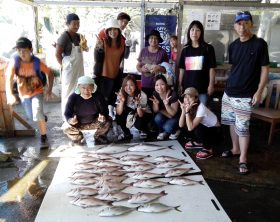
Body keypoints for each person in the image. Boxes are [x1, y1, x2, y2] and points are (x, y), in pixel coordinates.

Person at [221, 11, 270, 175]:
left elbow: (265, 69)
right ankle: (235, 149)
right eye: (239, 24)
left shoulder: (259, 44)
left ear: (251, 24)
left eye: (245, 23)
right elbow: (235, 67)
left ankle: (243, 158)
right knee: (231, 122)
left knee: (243, 128)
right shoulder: (233, 45)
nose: (242, 27)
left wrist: (259, 91)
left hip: (245, 94)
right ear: (235, 26)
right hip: (229, 92)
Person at [5, 37, 54, 148]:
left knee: (37, 112)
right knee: (32, 116)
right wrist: (9, 94)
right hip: (23, 94)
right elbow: (9, 78)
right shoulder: (15, 62)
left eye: (25, 50)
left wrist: (49, 90)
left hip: (37, 91)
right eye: (19, 50)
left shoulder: (37, 62)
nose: (22, 53)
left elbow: (50, 73)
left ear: (30, 50)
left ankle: (43, 137)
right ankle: (42, 116)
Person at [95, 18, 128, 118]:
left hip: (116, 74)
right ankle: (104, 119)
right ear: (107, 31)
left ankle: (112, 114)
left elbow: (124, 57)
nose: (112, 32)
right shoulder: (103, 41)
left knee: (114, 98)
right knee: (104, 99)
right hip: (104, 75)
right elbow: (97, 59)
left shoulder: (122, 43)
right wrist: (99, 49)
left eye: (115, 29)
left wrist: (129, 48)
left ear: (118, 30)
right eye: (110, 30)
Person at [63, 76, 111, 145]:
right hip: (78, 123)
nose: (86, 91)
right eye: (83, 88)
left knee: (108, 120)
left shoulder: (98, 96)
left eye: (89, 88)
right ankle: (78, 138)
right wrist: (70, 120)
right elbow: (67, 113)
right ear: (78, 87)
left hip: (94, 122)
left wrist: (103, 116)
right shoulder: (73, 97)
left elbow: (105, 111)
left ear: (93, 87)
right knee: (66, 126)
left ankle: (99, 136)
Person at [178, 20, 216, 105]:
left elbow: (212, 69)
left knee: (201, 113)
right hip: (188, 89)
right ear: (189, 32)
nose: (194, 33)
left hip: (202, 88)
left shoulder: (208, 48)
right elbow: (182, 70)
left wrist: (211, 85)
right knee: (189, 112)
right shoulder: (185, 49)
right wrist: (180, 85)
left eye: (198, 30)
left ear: (201, 32)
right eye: (192, 29)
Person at [55, 13, 85, 117]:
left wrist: (85, 46)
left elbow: (85, 49)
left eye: (78, 23)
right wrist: (64, 67)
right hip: (69, 71)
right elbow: (57, 54)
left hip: (79, 69)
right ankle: (67, 117)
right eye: (74, 24)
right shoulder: (64, 37)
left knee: (79, 90)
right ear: (67, 24)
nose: (77, 26)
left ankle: (76, 114)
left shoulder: (79, 36)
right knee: (68, 93)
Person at [179, 87, 220, 159]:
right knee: (186, 124)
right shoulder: (190, 106)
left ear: (196, 98)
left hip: (215, 132)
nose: (187, 100)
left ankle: (208, 149)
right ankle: (198, 142)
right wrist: (183, 110)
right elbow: (181, 125)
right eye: (185, 97)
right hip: (205, 128)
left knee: (195, 127)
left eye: (190, 97)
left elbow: (190, 128)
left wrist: (187, 112)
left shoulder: (201, 108)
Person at [115, 75, 152, 140]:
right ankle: (127, 133)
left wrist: (138, 105)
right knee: (118, 117)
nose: (128, 88)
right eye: (126, 85)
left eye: (131, 85)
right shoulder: (121, 94)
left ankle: (145, 130)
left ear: (135, 85)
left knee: (138, 123)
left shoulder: (141, 95)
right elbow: (118, 112)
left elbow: (141, 114)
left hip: (144, 114)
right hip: (132, 112)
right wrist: (122, 102)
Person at [136, 30, 169, 99]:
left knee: (156, 106)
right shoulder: (143, 51)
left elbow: (167, 69)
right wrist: (141, 69)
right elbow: (138, 65)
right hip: (145, 84)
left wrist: (159, 68)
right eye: (151, 38)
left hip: (158, 86)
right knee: (144, 105)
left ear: (159, 40)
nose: (153, 40)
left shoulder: (163, 52)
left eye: (156, 38)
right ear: (148, 39)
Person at [149, 75, 180, 140]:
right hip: (165, 115)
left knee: (168, 127)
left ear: (166, 84)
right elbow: (155, 110)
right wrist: (156, 104)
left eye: (162, 84)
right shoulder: (155, 93)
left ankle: (176, 131)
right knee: (157, 118)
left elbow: (173, 114)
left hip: (175, 117)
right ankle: (163, 132)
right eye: (157, 85)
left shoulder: (173, 94)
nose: (159, 87)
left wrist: (166, 105)